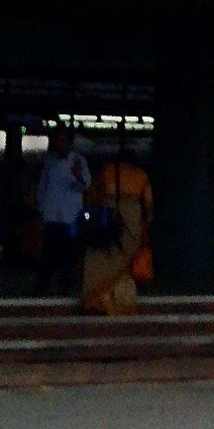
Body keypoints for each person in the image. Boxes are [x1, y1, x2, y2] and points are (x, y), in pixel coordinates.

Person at [81, 148, 154, 316]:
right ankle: (121, 303)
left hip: (108, 219)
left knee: (102, 261)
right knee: (124, 265)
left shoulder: (105, 172)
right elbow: (148, 204)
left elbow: (91, 198)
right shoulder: (141, 176)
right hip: (131, 220)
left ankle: (97, 302)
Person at [33, 127, 89, 297]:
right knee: (48, 252)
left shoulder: (78, 161)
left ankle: (66, 283)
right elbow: (43, 186)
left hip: (69, 216)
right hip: (51, 215)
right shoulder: (50, 161)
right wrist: (41, 207)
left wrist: (78, 176)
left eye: (63, 141)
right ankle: (42, 285)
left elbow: (85, 185)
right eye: (57, 141)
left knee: (68, 251)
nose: (60, 144)